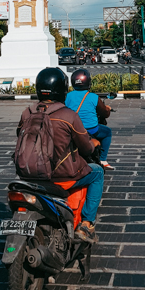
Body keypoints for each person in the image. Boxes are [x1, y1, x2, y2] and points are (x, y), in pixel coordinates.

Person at [16, 67, 104, 244]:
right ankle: (87, 224)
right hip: (62, 176)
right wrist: (93, 143)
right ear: (63, 90)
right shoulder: (68, 115)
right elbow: (86, 149)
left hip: (28, 175)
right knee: (97, 174)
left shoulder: (28, 112)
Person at [67, 68, 114, 170]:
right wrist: (108, 109)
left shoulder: (67, 96)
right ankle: (103, 159)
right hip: (91, 130)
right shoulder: (93, 97)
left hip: (73, 130)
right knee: (107, 132)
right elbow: (104, 114)